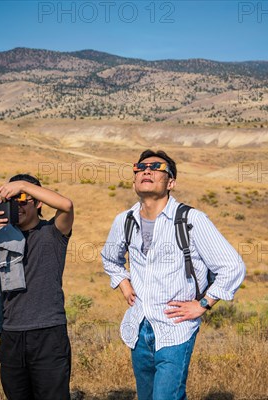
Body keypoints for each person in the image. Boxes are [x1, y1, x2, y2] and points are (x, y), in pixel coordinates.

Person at [101, 149, 246, 400]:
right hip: (138, 326)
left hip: (175, 328)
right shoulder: (124, 221)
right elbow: (110, 258)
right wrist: (124, 284)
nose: (147, 170)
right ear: (134, 178)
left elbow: (232, 267)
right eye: (140, 167)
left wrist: (203, 304)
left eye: (157, 167)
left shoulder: (192, 220)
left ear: (171, 182)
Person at [0, 174, 74, 400]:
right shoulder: (2, 237)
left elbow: (66, 205)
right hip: (12, 334)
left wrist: (22, 185)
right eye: (11, 200)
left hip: (48, 333)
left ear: (38, 203)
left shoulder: (53, 232)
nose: (16, 205)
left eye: (23, 199)